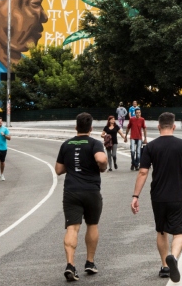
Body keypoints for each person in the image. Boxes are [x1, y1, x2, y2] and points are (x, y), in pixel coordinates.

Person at [131, 113, 182, 282]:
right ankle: (174, 256)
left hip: (158, 196)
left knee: (161, 230)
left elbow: (143, 172)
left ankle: (165, 266)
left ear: (158, 127)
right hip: (178, 195)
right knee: (179, 232)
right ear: (174, 126)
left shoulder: (150, 147)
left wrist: (135, 196)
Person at [55, 113, 108, 281]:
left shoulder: (66, 144)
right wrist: (103, 166)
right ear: (91, 128)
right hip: (91, 190)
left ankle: (70, 265)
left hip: (71, 191)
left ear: (76, 127)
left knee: (72, 228)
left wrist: (72, 165)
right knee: (92, 225)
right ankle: (90, 262)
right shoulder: (94, 143)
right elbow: (101, 158)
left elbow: (58, 170)